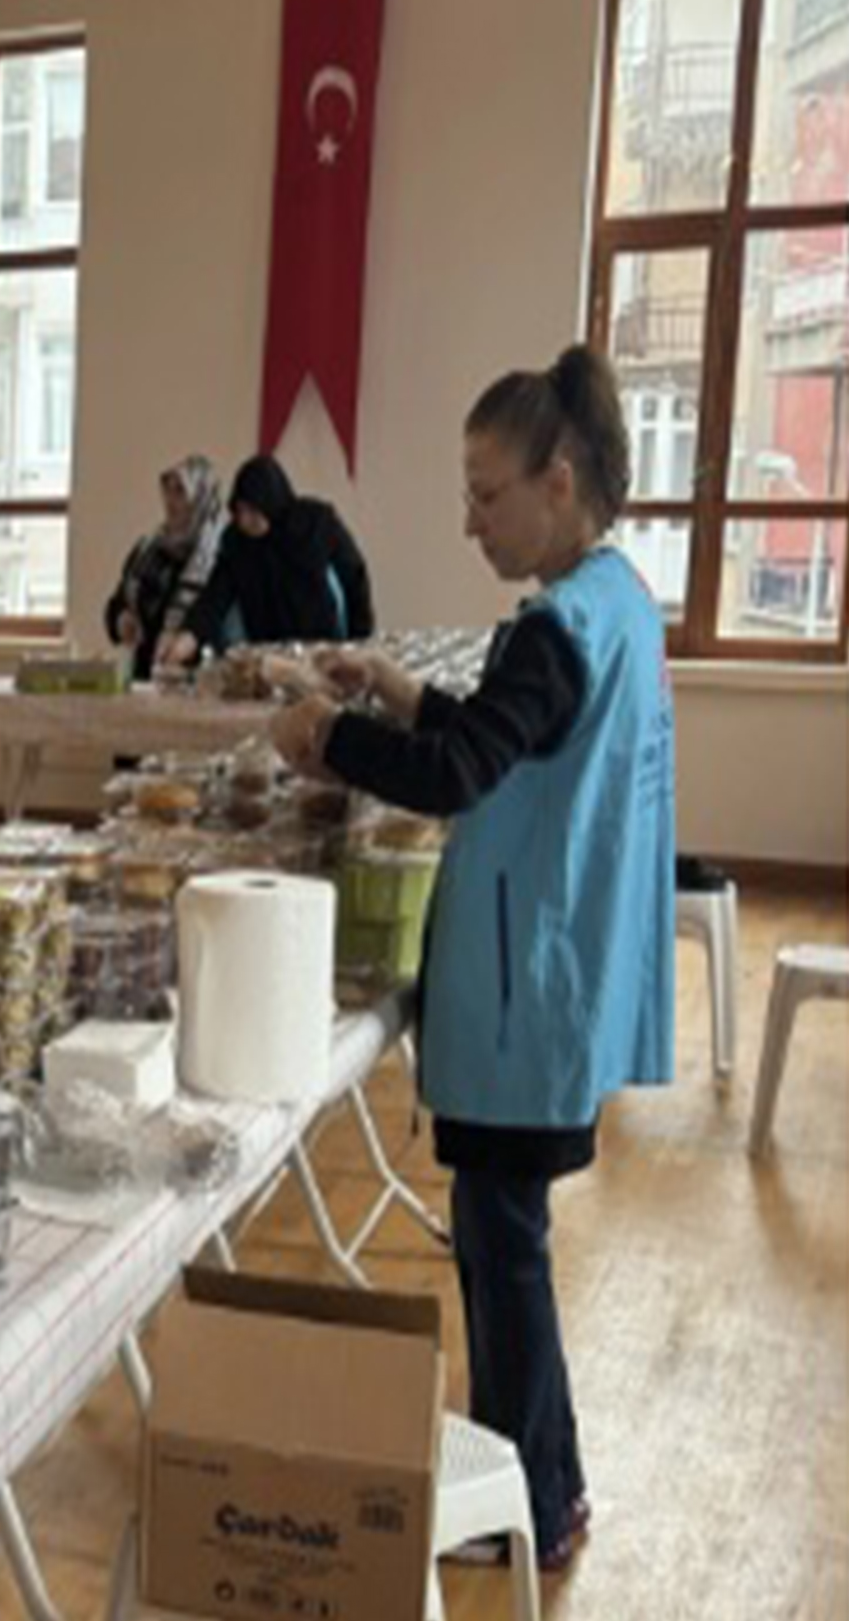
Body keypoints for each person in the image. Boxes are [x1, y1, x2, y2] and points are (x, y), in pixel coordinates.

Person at [270, 344, 672, 1572]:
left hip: (524, 983)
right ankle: (542, 1480)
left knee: (503, 1252)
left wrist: (329, 735)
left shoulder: (554, 630)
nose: (469, 520)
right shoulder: (612, 604)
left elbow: (460, 774)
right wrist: (399, 692)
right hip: (558, 970)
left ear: (559, 482)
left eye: (487, 493)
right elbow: (505, 743)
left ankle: (531, 1498)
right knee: (504, 1241)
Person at [160, 453, 374, 667]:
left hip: (322, 653)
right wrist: (188, 638)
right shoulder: (237, 543)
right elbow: (215, 598)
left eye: (253, 511)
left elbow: (354, 576)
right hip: (267, 657)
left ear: (271, 504)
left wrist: (359, 644)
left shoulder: (315, 524)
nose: (244, 521)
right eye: (239, 511)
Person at [107, 454, 232, 680]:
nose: (170, 501)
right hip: (144, 678)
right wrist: (122, 620)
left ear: (200, 498)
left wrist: (183, 643)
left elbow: (215, 621)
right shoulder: (148, 550)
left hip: (196, 682)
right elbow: (116, 603)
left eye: (180, 492)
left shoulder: (218, 557)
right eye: (167, 490)